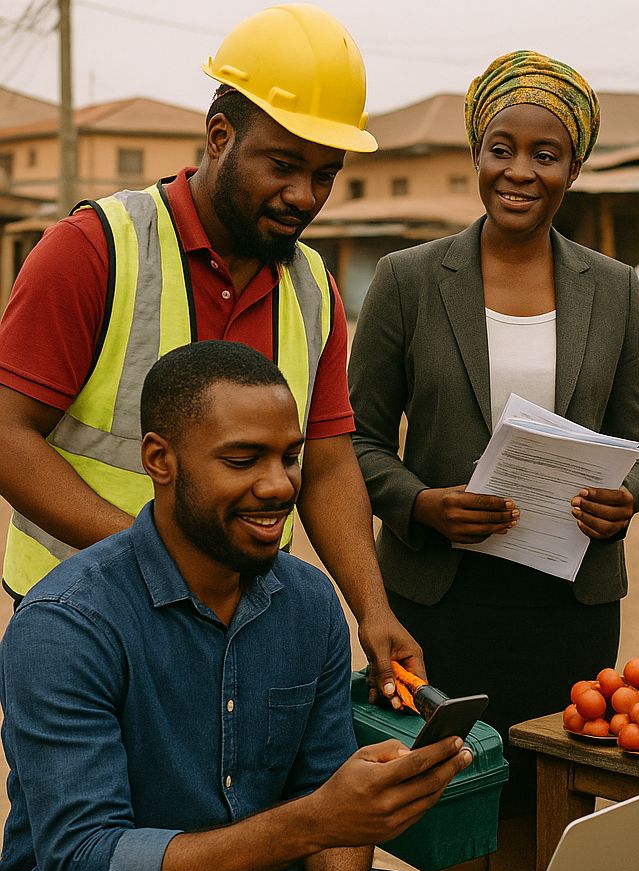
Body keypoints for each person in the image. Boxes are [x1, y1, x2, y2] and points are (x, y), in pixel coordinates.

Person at [0, 342, 470, 871]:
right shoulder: (67, 625)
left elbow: (323, 783)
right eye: (243, 460)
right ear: (160, 461)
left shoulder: (307, 602)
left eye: (289, 456)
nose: (279, 485)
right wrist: (314, 821)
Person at [0, 5, 421, 699]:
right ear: (219, 136)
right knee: (88, 809)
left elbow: (328, 464)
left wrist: (372, 610)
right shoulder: (96, 250)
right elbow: (9, 436)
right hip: (84, 623)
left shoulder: (312, 286)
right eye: (282, 165)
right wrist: (165, 562)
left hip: (243, 627)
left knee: (246, 810)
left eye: (324, 174)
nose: (303, 196)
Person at [349, 51, 639, 819]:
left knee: (553, 803)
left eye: (544, 154)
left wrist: (623, 498)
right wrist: (422, 504)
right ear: (476, 155)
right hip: (440, 600)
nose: (519, 171)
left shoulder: (615, 289)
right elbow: (352, 443)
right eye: (501, 149)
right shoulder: (408, 279)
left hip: (569, 605)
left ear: (574, 168)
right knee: (452, 804)